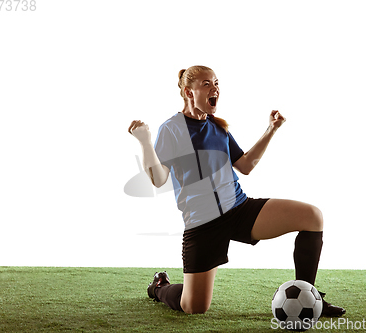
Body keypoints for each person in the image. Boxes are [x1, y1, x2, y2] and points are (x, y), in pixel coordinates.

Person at [127, 65, 345, 317]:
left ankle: (311, 298)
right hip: (203, 223)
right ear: (188, 91)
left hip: (239, 209)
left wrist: (271, 129)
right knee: (194, 307)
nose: (215, 88)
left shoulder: (219, 127)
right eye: (207, 84)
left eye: (217, 83)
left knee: (312, 216)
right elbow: (158, 179)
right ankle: (159, 287)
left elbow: (245, 165)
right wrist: (144, 141)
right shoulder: (172, 128)